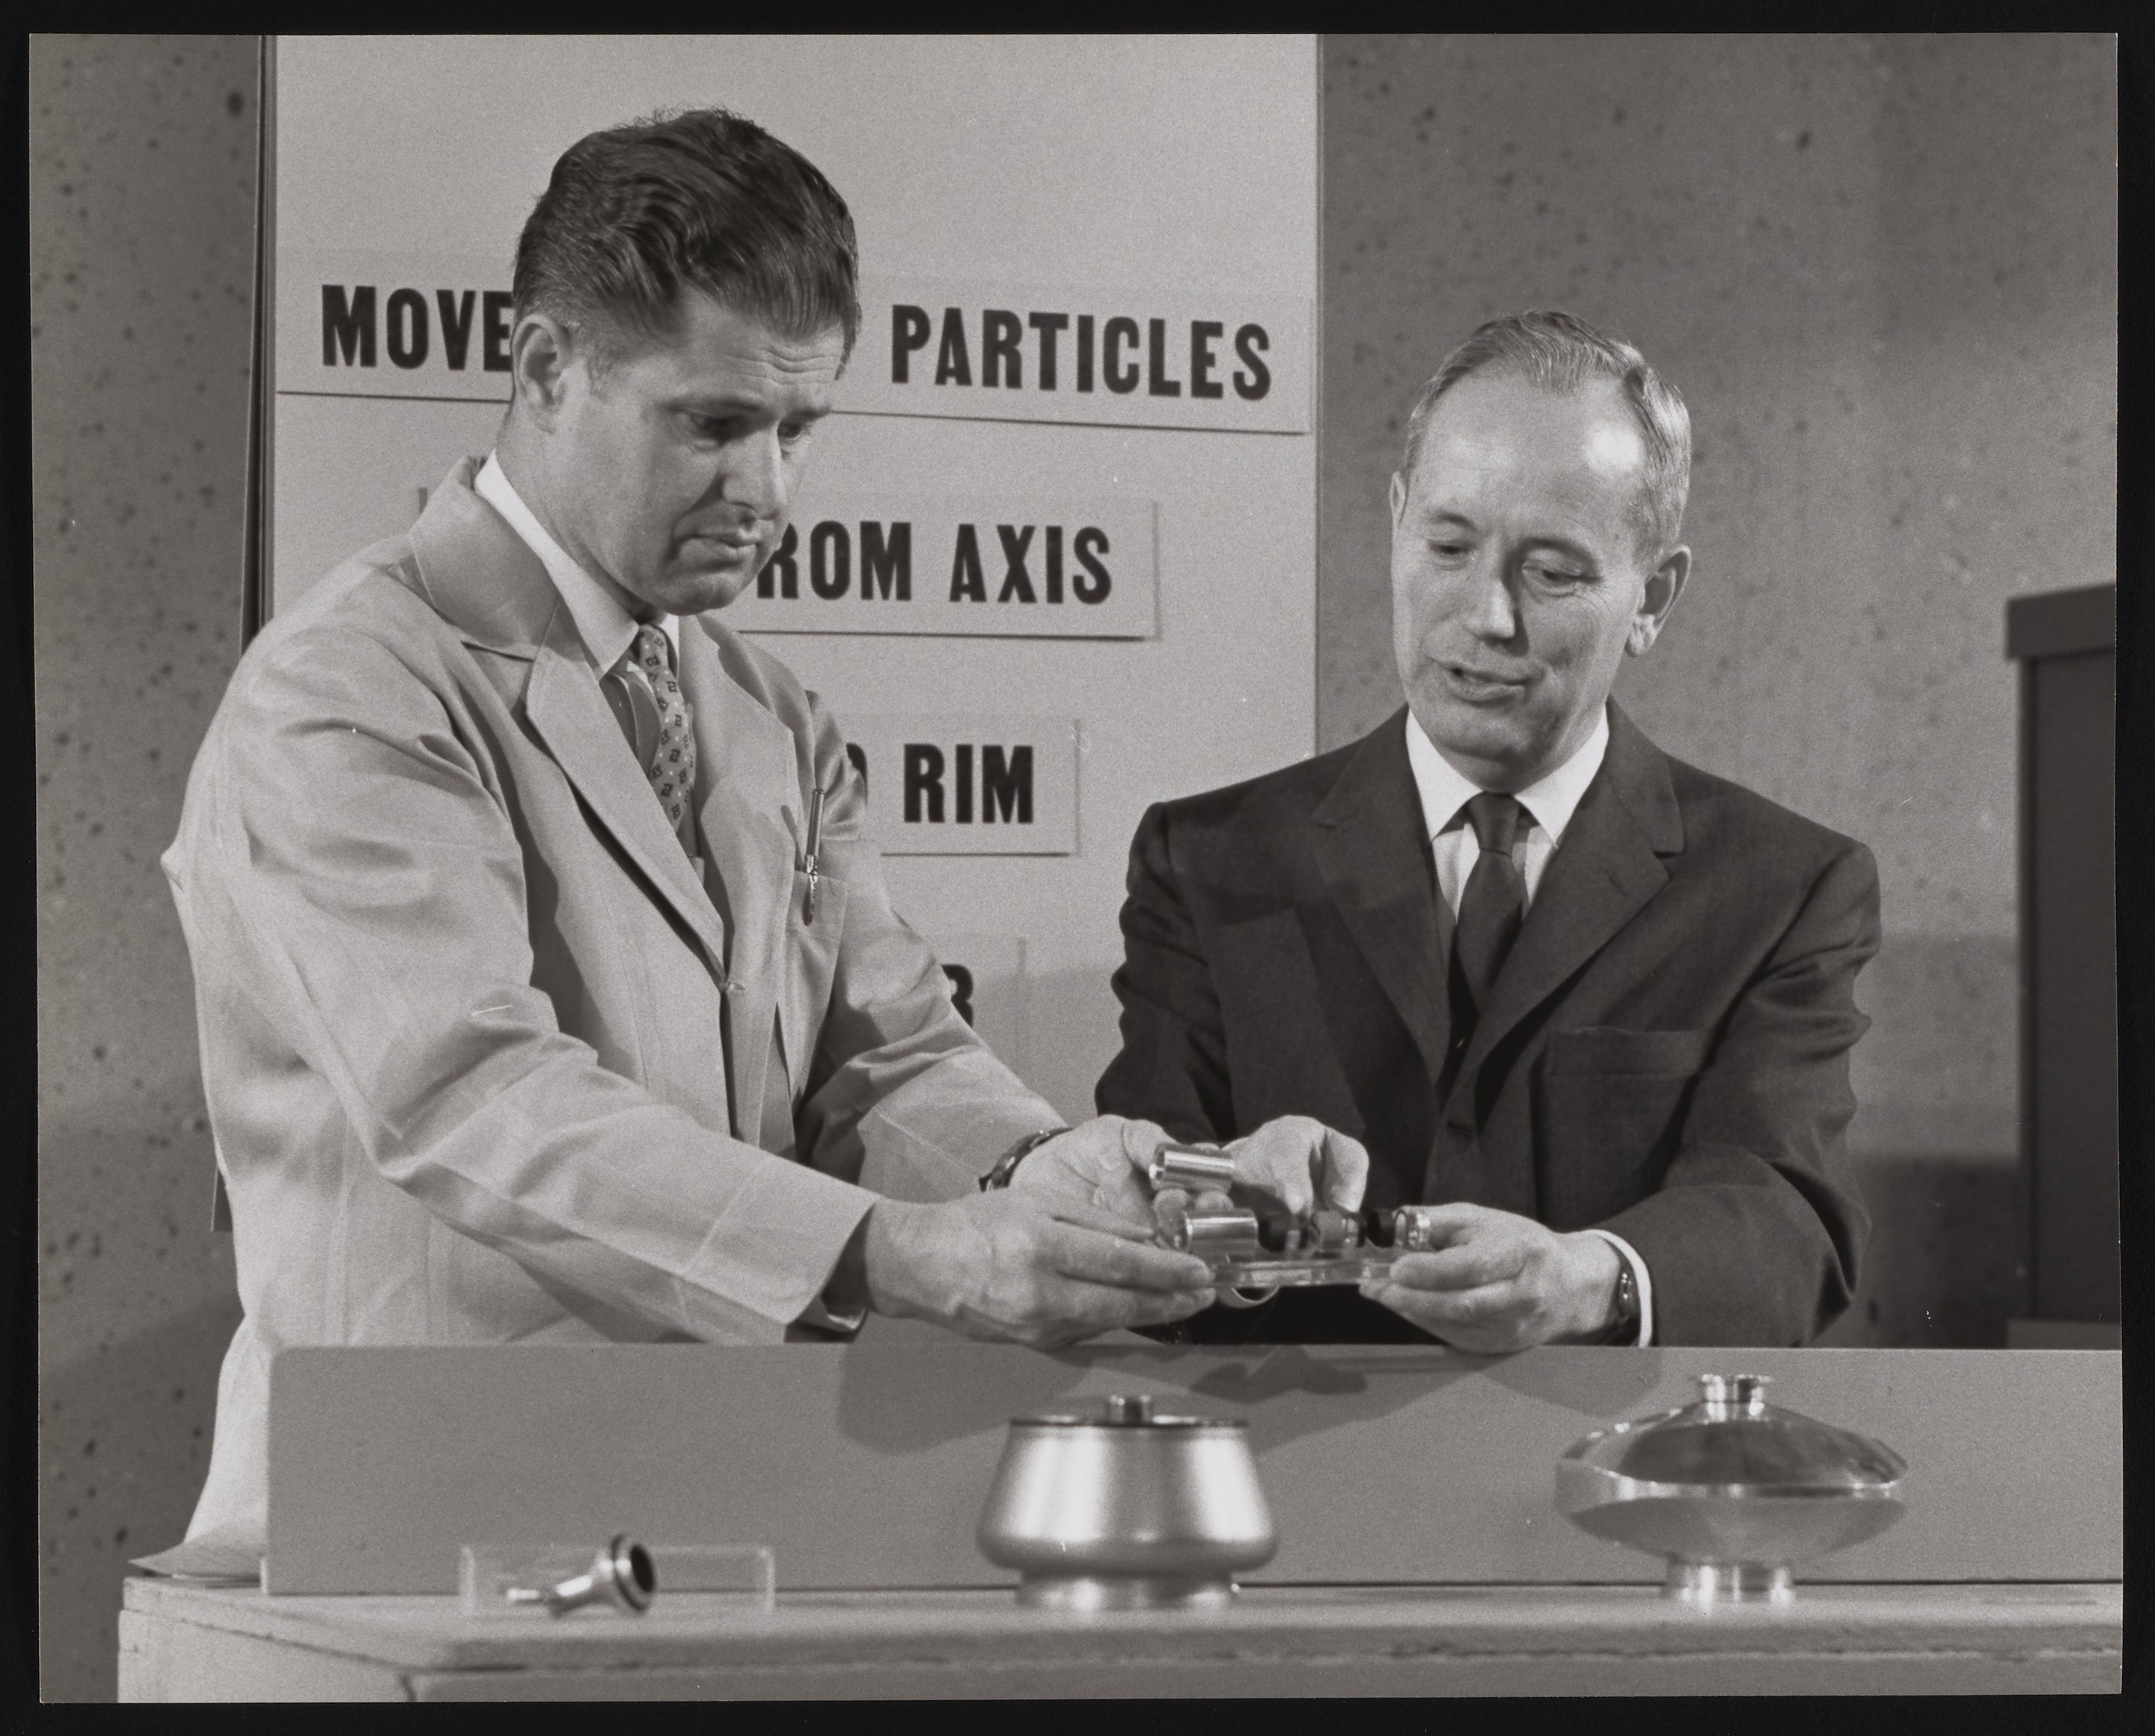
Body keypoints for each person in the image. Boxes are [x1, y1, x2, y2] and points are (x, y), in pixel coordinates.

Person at [159, 109, 1361, 1551]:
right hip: (403, 1529)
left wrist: (1057, 1180)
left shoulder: (764, 709)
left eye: (797, 430)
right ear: (543, 370)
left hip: (715, 1516)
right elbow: (472, 1100)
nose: (769, 492)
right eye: (714, 425)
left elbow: (890, 1057)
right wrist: (899, 1256)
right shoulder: (346, 686)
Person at [1096, 310, 1879, 1351]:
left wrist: (1592, 1277)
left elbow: (1786, 1220)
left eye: (1551, 573)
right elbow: (1134, 1205)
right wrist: (1227, 1199)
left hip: (1604, 1446)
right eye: (1449, 547)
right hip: (1286, 1446)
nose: (1487, 617)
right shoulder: (1207, 860)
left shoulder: (1782, 887)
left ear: (1653, 598)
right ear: (1396, 524)